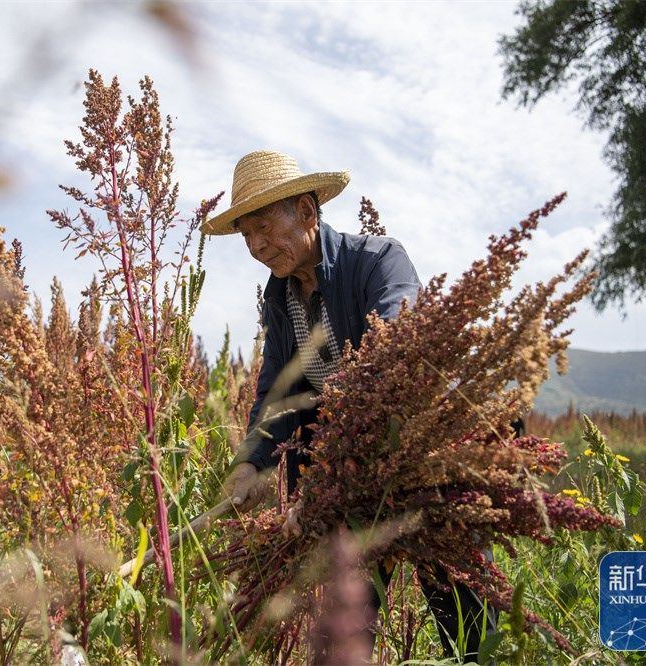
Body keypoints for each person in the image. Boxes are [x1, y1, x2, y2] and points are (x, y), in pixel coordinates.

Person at [203, 150, 497, 663]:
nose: (255, 246)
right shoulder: (280, 297)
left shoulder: (380, 262)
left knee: (467, 622)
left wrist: (324, 482)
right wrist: (250, 464)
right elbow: (278, 392)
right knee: (345, 626)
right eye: (246, 234)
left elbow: (390, 363)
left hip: (421, 462)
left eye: (264, 227)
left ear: (308, 212)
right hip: (350, 483)